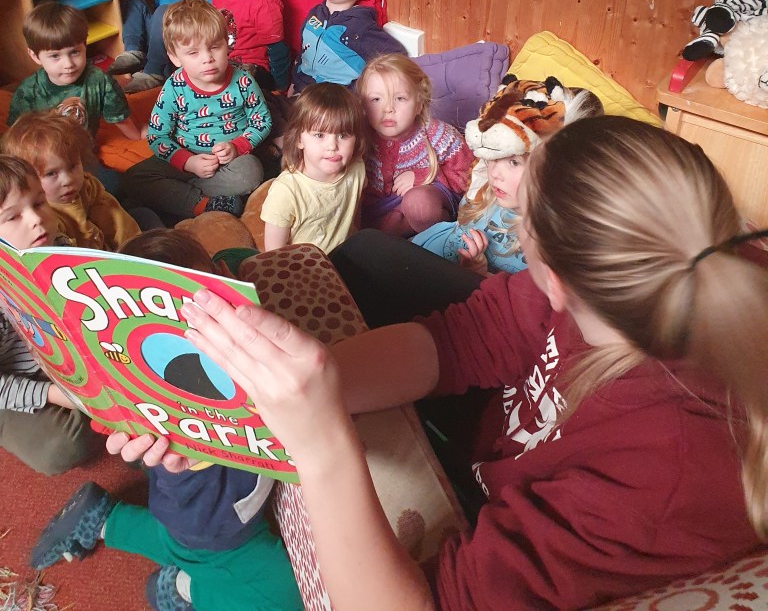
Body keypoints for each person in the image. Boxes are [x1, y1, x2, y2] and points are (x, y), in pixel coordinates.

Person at [116, 117, 768, 611]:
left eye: (519, 218)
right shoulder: (683, 256)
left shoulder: (665, 478)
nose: (506, 204)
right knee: (367, 255)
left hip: (493, 487)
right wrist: (252, 399)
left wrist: (321, 447)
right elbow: (460, 339)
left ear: (560, 282)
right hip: (512, 428)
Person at [31, 229, 302, 611]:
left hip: (192, 516)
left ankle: (104, 518)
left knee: (175, 538)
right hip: (219, 532)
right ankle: (185, 589)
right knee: (283, 597)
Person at [411, 76, 603, 273]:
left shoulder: (547, 244)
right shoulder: (487, 194)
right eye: (493, 158)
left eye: (514, 162)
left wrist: (479, 274)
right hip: (422, 252)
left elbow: (518, 292)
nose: (495, 173)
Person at [123, 0, 271, 222]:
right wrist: (187, 162)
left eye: (215, 47)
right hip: (184, 157)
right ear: (175, 58)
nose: (207, 59)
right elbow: (157, 135)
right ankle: (201, 204)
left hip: (230, 163)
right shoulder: (174, 87)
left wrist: (237, 147)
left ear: (227, 44)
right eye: (193, 53)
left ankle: (179, 198)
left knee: (251, 172)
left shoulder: (243, 81)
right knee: (134, 178)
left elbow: (262, 121)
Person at [0, 155, 100, 474]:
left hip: (59, 356)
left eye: (39, 202)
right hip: (15, 379)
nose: (36, 219)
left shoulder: (56, 246)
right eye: (12, 217)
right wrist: (52, 394)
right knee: (62, 448)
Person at [358, 53, 473, 237]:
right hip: (381, 211)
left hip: (430, 200)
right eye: (376, 99)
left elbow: (471, 174)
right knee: (373, 231)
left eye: (400, 98)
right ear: (363, 106)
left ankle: (437, 240)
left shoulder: (438, 134)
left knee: (419, 205)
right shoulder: (359, 137)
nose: (388, 109)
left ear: (419, 104)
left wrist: (425, 175)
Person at [2, 111, 143, 251]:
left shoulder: (88, 186)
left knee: (143, 215)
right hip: (88, 257)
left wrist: (134, 250)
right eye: (51, 174)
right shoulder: (46, 216)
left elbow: (118, 222)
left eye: (72, 166)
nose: (67, 180)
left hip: (110, 248)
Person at [8, 1, 142, 142]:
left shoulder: (100, 80)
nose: (68, 64)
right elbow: (17, 136)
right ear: (35, 56)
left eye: (74, 52)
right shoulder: (27, 92)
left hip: (85, 150)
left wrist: (137, 136)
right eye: (55, 56)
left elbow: (120, 117)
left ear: (84, 45)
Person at [260, 82, 366, 253]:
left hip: (346, 256)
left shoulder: (357, 168)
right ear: (299, 139)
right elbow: (274, 255)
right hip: (305, 266)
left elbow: (355, 218)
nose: (332, 146)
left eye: (343, 135)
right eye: (319, 135)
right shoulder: (285, 191)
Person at [292, 0, 405, 94]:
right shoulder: (315, 13)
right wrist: (294, 83)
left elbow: (398, 56)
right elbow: (304, 52)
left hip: (332, 101)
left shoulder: (359, 26)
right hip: (301, 93)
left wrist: (359, 92)